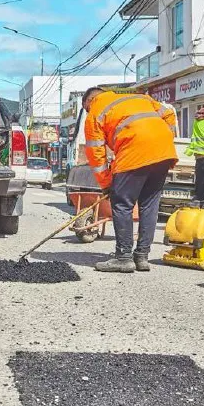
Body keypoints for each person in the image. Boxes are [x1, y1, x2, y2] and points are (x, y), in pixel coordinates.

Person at [83, 87, 178, 273]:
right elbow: (169, 114)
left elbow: (95, 153)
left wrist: (107, 184)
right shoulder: (139, 98)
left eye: (86, 108)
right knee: (149, 204)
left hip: (134, 153)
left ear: (89, 101)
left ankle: (124, 257)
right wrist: (166, 136)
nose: (87, 111)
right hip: (163, 152)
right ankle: (142, 257)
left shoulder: (95, 110)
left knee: (122, 204)